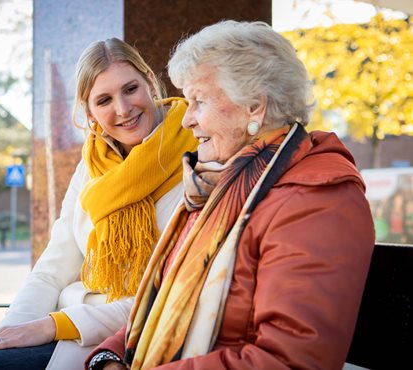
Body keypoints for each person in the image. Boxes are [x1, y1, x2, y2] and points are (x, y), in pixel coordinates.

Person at [86, 20, 375, 370]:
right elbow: (159, 305)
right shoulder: (219, 185)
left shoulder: (319, 199)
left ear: (254, 106)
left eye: (199, 101)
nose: (186, 119)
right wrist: (109, 358)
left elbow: (291, 360)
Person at [0, 38, 197, 370]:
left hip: (129, 338)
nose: (122, 109)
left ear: (150, 81)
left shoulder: (199, 156)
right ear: (89, 111)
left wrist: (51, 325)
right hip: (69, 325)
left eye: (130, 89)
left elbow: (168, 293)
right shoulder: (91, 166)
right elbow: (51, 269)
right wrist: (7, 336)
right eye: (104, 100)